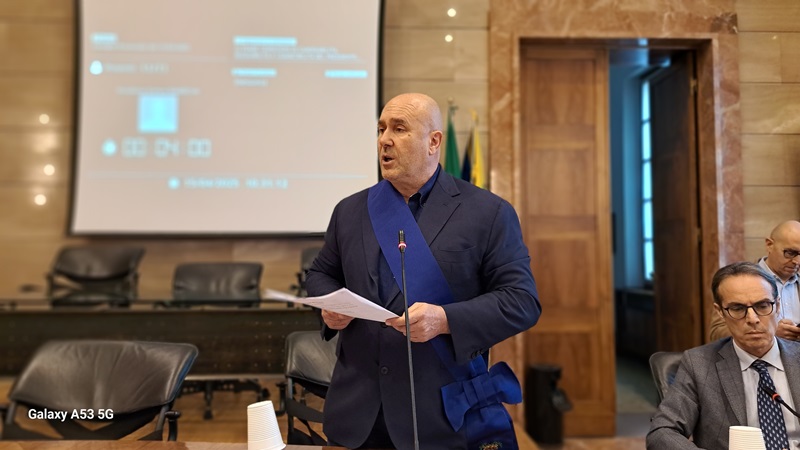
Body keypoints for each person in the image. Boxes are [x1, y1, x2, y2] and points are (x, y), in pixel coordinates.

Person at [305, 93, 541, 450]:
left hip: (443, 416)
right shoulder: (349, 211)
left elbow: (521, 302)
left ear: (434, 142)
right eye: (381, 129)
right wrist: (330, 306)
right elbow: (320, 274)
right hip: (358, 416)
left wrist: (444, 320)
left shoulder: (488, 213)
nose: (384, 140)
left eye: (399, 129)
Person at [647, 261, 800, 450]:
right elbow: (662, 432)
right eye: (737, 309)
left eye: (762, 306)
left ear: (777, 306)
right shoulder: (699, 364)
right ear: (720, 312)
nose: (752, 319)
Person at [709, 220, 800, 341]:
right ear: (769, 245)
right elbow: (716, 333)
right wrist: (770, 330)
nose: (797, 261)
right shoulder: (738, 280)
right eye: (790, 253)